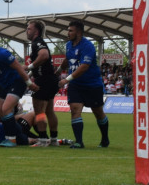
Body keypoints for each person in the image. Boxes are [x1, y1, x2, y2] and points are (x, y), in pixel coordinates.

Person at [0, 32, 37, 147]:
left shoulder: (2, 53)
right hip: (5, 86)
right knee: (1, 112)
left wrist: (28, 83)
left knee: (5, 109)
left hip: (17, 83)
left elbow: (19, 67)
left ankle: (11, 140)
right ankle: (20, 136)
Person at [58, 20, 109, 149]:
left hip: (92, 84)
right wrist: (58, 71)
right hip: (76, 85)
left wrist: (66, 79)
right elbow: (67, 59)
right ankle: (79, 142)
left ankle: (105, 139)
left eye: (71, 30)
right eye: (68, 30)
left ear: (79, 32)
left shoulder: (88, 46)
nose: (68, 33)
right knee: (75, 110)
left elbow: (84, 66)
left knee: (98, 112)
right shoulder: (69, 45)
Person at [26, 20, 60, 145]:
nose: (27, 31)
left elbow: (44, 55)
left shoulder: (37, 42)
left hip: (43, 80)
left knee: (39, 112)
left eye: (29, 29)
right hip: (50, 80)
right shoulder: (38, 43)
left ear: (36, 31)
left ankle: (43, 139)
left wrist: (29, 67)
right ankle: (54, 139)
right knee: (49, 111)